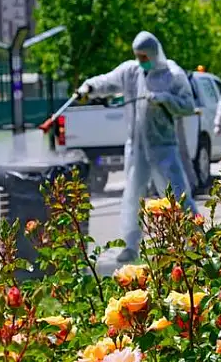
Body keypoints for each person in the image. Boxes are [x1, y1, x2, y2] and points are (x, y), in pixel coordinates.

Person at [78, 31, 197, 263]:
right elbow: (107, 81)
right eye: (138, 56)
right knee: (133, 196)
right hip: (136, 147)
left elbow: (188, 105)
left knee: (178, 195)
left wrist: (165, 99)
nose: (141, 60)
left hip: (163, 146)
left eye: (145, 56)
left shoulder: (172, 74)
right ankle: (130, 246)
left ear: (154, 53)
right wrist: (89, 88)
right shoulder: (130, 72)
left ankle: (195, 240)